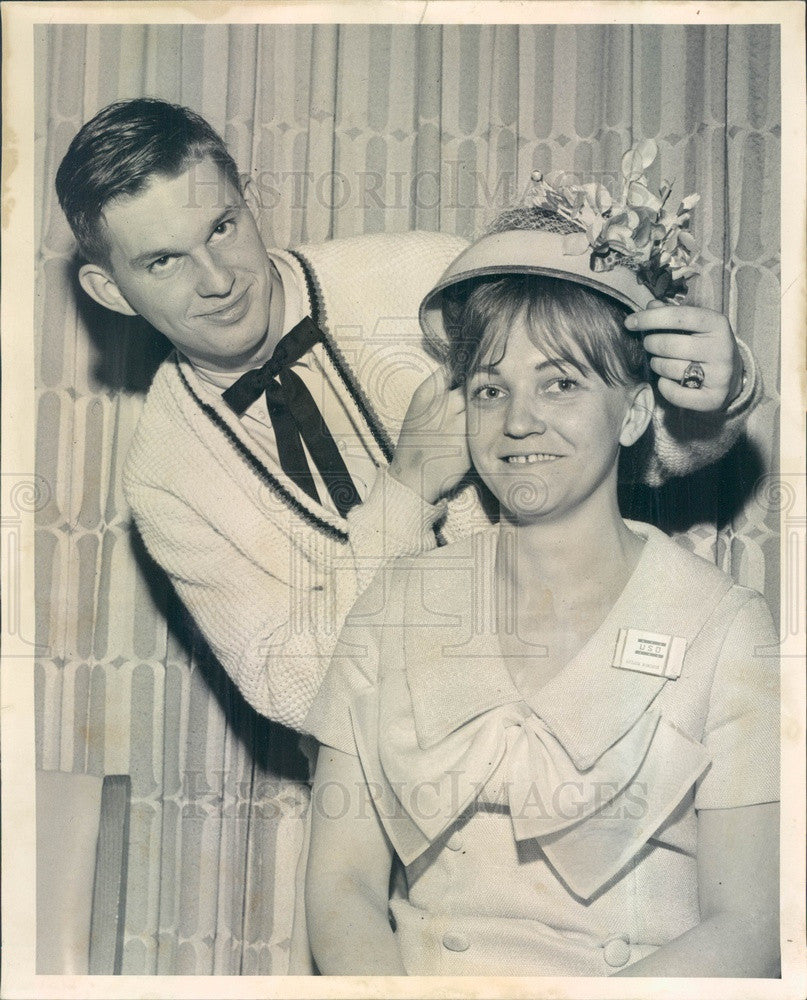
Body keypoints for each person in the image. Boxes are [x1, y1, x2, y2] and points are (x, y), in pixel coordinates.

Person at [54, 99, 761, 738]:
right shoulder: (163, 475)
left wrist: (708, 399)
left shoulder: (421, 276)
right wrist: (406, 490)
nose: (216, 279)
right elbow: (292, 689)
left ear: (247, 202)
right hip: (399, 803)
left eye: (223, 227)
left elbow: (633, 450)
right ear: (109, 291)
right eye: (163, 262)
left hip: (605, 707)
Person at [304, 201, 779, 976]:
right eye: (490, 390)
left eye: (558, 384)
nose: (518, 421)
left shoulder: (724, 630)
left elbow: (748, 928)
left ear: (632, 415)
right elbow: (342, 886)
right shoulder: (393, 605)